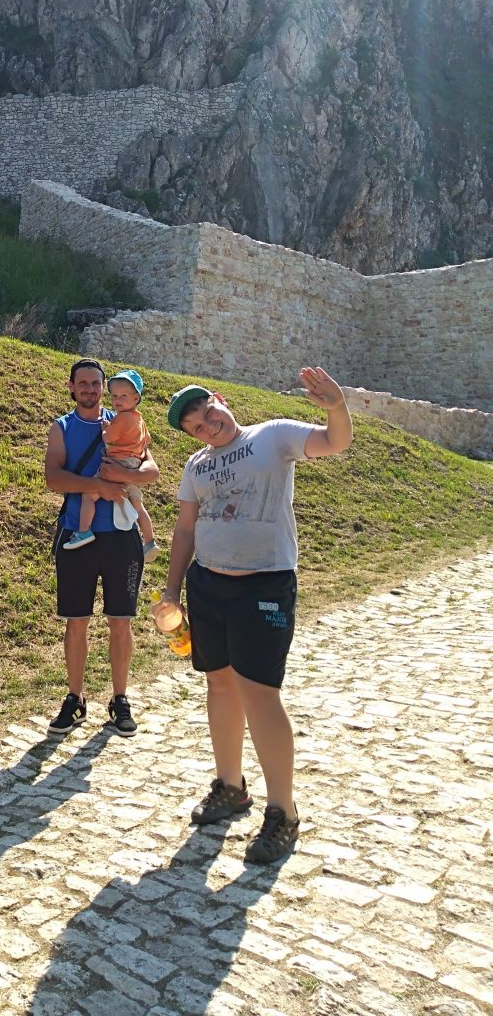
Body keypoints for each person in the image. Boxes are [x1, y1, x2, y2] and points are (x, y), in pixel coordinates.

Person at [160, 367, 352, 863]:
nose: (207, 427)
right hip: (208, 585)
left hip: (264, 584)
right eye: (196, 428)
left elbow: (335, 442)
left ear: (220, 400)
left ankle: (283, 812)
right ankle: (230, 786)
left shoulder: (272, 437)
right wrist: (172, 591)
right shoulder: (197, 466)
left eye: (208, 414)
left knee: (260, 692)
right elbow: (185, 529)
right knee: (219, 683)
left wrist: (336, 406)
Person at [45, 359, 160, 737]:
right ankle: (75, 697)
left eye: (96, 383)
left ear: (104, 387)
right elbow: (53, 478)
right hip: (77, 535)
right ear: (71, 387)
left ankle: (120, 699)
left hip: (121, 536)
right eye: (83, 383)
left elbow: (152, 470)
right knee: (76, 621)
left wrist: (120, 478)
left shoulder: (125, 419)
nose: (90, 389)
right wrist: (99, 487)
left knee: (120, 621)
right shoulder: (62, 427)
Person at [62, 369, 160, 562]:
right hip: (133, 465)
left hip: (117, 463)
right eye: (114, 396)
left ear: (136, 398)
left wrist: (106, 429)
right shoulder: (140, 420)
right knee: (138, 505)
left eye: (123, 396)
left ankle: (83, 531)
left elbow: (108, 438)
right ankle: (150, 542)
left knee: (89, 495)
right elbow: (146, 441)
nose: (117, 400)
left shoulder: (122, 417)